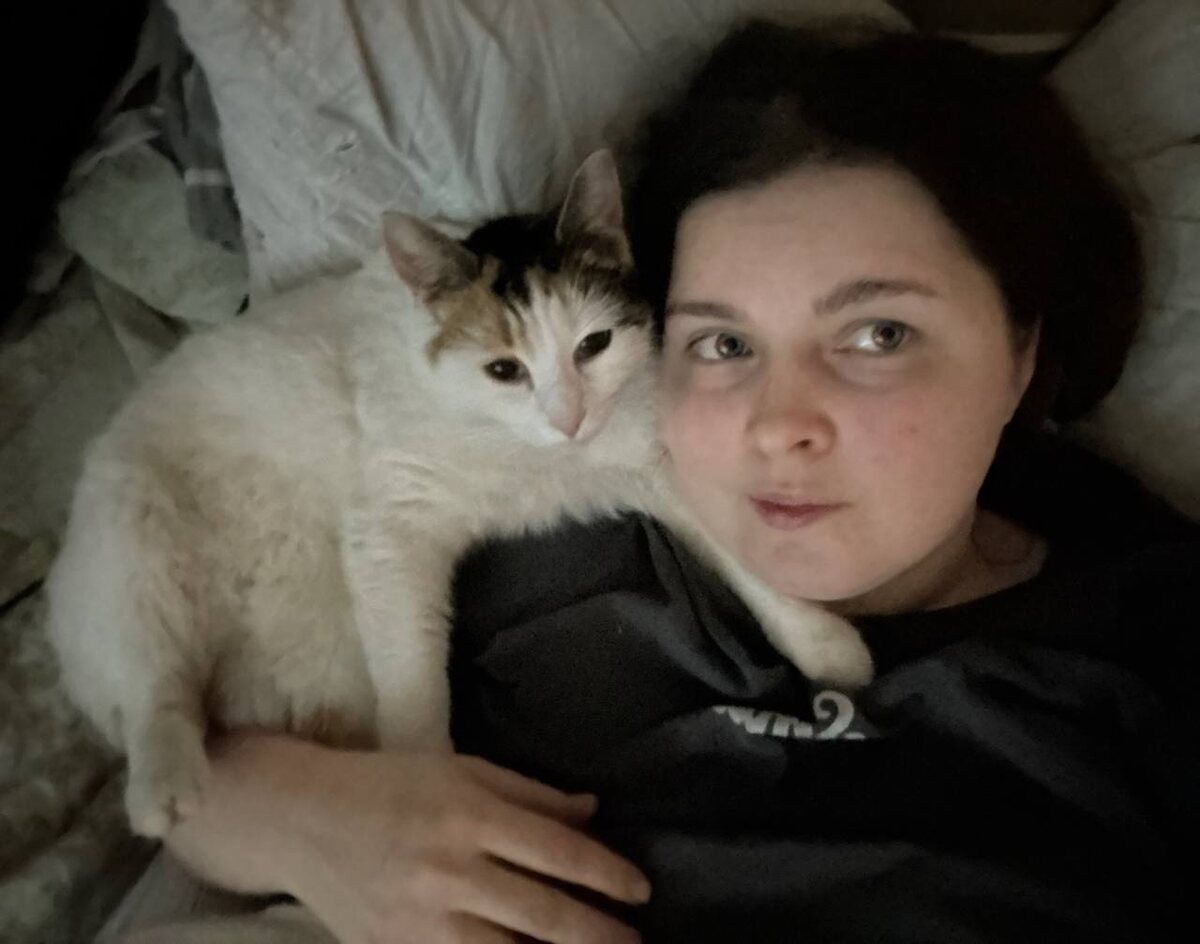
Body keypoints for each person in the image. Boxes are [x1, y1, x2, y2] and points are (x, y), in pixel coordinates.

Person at [149, 20, 1198, 944]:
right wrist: (328, 827)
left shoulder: (1150, 644)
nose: (780, 426)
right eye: (722, 343)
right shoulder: (542, 539)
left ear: (1020, 352)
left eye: (878, 334)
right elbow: (191, 779)